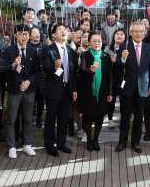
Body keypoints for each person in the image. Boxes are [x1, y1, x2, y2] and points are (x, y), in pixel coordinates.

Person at [114, 21, 150, 153]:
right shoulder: (124, 46)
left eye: (141, 31)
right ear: (130, 33)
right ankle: (122, 141)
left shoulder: (149, 48)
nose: (138, 34)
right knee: (125, 116)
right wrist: (123, 59)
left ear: (144, 33)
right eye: (135, 31)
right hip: (127, 87)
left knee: (139, 116)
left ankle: (136, 142)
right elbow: (118, 67)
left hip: (142, 88)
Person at [2, 24, 40, 159]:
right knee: (11, 119)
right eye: (20, 33)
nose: (23, 36)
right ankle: (12, 146)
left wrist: (29, 81)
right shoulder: (9, 51)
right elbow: (4, 69)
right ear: (15, 35)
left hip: (29, 90)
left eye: (25, 34)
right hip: (14, 90)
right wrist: (13, 65)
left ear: (29, 36)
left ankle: (27, 144)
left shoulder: (32, 51)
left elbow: (37, 71)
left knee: (28, 119)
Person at [41, 24, 78, 157]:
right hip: (53, 90)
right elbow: (44, 67)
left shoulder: (70, 51)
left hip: (67, 90)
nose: (63, 32)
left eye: (65, 30)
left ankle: (62, 143)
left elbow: (73, 72)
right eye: (60, 30)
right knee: (51, 119)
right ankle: (50, 145)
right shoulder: (48, 49)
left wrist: (74, 89)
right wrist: (54, 66)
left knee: (63, 120)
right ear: (53, 34)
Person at [76, 31, 113, 151]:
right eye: (94, 41)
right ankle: (89, 140)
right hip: (87, 91)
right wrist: (90, 70)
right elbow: (81, 71)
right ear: (89, 42)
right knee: (87, 116)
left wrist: (110, 92)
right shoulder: (85, 55)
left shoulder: (106, 56)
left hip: (102, 91)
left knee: (99, 117)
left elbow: (110, 76)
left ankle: (96, 139)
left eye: (99, 41)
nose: (97, 43)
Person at [104, 28, 127, 129]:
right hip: (112, 78)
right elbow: (103, 64)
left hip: (124, 78)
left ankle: (124, 118)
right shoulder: (108, 49)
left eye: (122, 34)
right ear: (114, 36)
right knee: (111, 99)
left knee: (124, 100)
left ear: (125, 37)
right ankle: (110, 119)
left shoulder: (127, 48)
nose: (119, 36)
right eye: (117, 34)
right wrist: (111, 62)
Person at [28, 26, 46, 128]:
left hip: (42, 78)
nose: (37, 34)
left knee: (40, 100)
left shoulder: (44, 47)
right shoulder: (26, 47)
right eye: (34, 33)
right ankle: (29, 119)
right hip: (31, 79)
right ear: (30, 36)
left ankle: (39, 118)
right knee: (31, 100)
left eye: (38, 32)